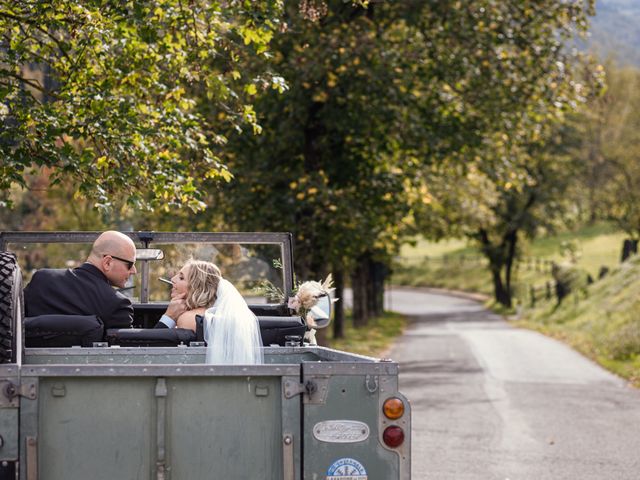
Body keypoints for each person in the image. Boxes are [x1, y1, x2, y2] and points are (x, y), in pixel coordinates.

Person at [24, 230, 186, 330]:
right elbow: (139, 352)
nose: (134, 271)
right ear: (107, 262)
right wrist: (169, 317)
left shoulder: (41, 279)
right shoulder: (117, 305)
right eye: (130, 265)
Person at [160, 259, 263, 365]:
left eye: (181, 278)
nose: (172, 279)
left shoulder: (187, 318)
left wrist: (169, 316)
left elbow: (160, 353)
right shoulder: (218, 313)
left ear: (198, 288)